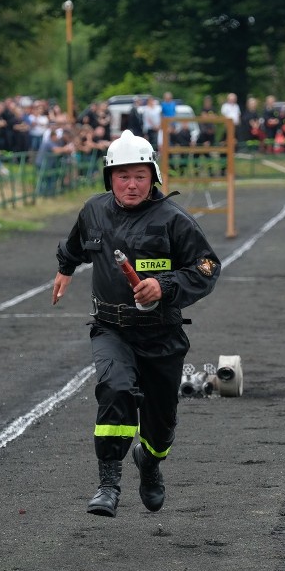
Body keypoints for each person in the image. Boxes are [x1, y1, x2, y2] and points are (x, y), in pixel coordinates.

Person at [52, 130, 220, 518]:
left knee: (160, 427)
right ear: (109, 177)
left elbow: (207, 267)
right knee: (115, 389)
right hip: (112, 329)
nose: (131, 184)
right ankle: (108, 484)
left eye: (140, 176)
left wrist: (163, 286)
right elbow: (76, 245)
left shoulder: (174, 220)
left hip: (162, 336)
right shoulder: (93, 210)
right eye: (123, 175)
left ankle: (151, 462)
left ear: (154, 176)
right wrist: (65, 268)